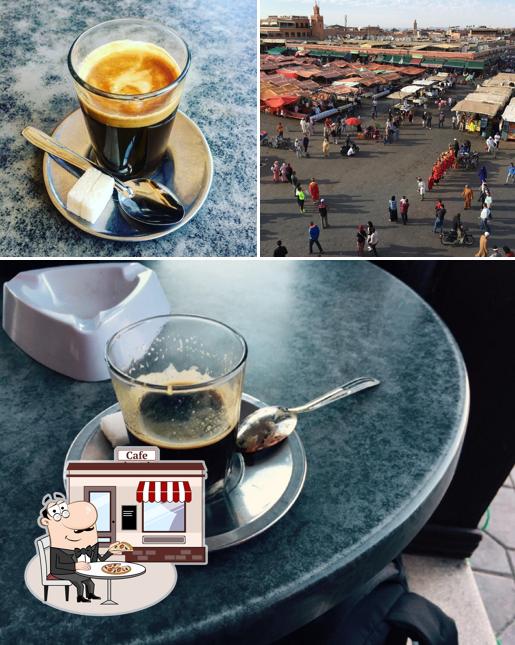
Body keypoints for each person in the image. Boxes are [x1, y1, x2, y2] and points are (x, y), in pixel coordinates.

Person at [38, 493, 122, 603]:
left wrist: (110, 552)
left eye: (90, 529)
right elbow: (56, 567)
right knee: (79, 582)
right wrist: (75, 565)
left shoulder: (90, 547)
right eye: (77, 531)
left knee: (90, 582)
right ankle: (80, 597)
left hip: (78, 570)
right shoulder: (57, 549)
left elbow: (99, 560)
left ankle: (91, 595)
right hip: (61, 572)